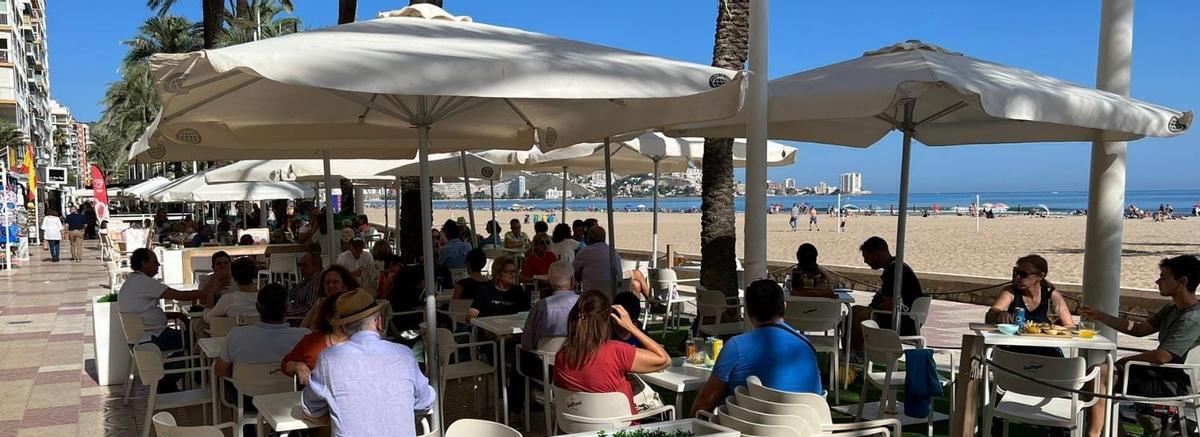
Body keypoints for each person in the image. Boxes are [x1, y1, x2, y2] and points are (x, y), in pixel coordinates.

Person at [301, 289, 436, 436]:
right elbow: (425, 400)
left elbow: (310, 408)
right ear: (379, 322)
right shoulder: (404, 354)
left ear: (343, 327)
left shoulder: (329, 358)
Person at [691, 280, 823, 416]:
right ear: (784, 306)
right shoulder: (806, 346)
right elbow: (816, 396)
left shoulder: (736, 347)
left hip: (747, 430)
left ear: (748, 312)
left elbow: (706, 402)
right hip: (804, 428)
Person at [554, 290, 671, 418]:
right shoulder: (616, 351)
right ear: (606, 321)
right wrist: (631, 327)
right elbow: (664, 360)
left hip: (578, 429)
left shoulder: (561, 356)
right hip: (622, 428)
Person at [215, 284, 308, 402]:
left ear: (257, 307)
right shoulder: (304, 336)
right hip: (290, 399)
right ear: (288, 307)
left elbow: (219, 370)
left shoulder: (236, 335)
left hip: (247, 401)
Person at [118, 248, 207, 354]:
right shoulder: (143, 282)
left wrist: (179, 315)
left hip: (144, 336)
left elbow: (145, 312)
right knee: (200, 339)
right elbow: (180, 296)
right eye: (155, 262)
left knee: (190, 337)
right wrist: (207, 292)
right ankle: (189, 368)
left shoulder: (132, 282)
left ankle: (178, 367)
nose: (158, 265)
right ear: (144, 264)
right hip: (153, 336)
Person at [851, 237, 925, 353]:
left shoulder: (893, 271)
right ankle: (855, 353)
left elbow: (888, 305)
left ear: (876, 254)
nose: (865, 261)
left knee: (855, 317)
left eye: (866, 257)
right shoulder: (898, 266)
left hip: (901, 322)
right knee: (855, 311)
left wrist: (871, 310)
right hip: (910, 320)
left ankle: (856, 354)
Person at [282, 296, 346, 384]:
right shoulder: (312, 341)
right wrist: (298, 366)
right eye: (344, 314)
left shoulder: (364, 340)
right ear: (331, 319)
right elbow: (286, 364)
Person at [521, 261, 579, 350]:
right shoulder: (584, 303)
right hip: (578, 359)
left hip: (545, 359)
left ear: (549, 281)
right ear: (573, 280)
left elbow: (527, 342)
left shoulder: (541, 306)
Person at [467, 255, 530, 320]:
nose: (513, 275)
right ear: (498, 274)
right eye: (508, 272)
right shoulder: (485, 290)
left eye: (514, 271)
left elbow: (525, 314)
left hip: (510, 327)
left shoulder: (518, 291)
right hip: (488, 327)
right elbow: (471, 315)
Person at [204, 257, 260, 324]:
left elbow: (208, 318)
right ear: (254, 275)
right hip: (260, 333)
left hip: (234, 333)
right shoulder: (266, 297)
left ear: (234, 277)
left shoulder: (228, 298)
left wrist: (211, 293)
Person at [573, 226, 623, 295]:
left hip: (591, 295)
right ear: (604, 238)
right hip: (612, 294)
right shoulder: (613, 252)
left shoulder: (584, 252)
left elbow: (575, 271)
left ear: (589, 238)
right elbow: (620, 275)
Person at [287, 252, 325, 320]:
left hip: (301, 320)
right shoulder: (309, 279)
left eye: (304, 265)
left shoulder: (317, 281)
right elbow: (291, 294)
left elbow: (308, 310)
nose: (301, 268)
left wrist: (284, 313)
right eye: (300, 265)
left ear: (316, 266)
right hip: (294, 316)